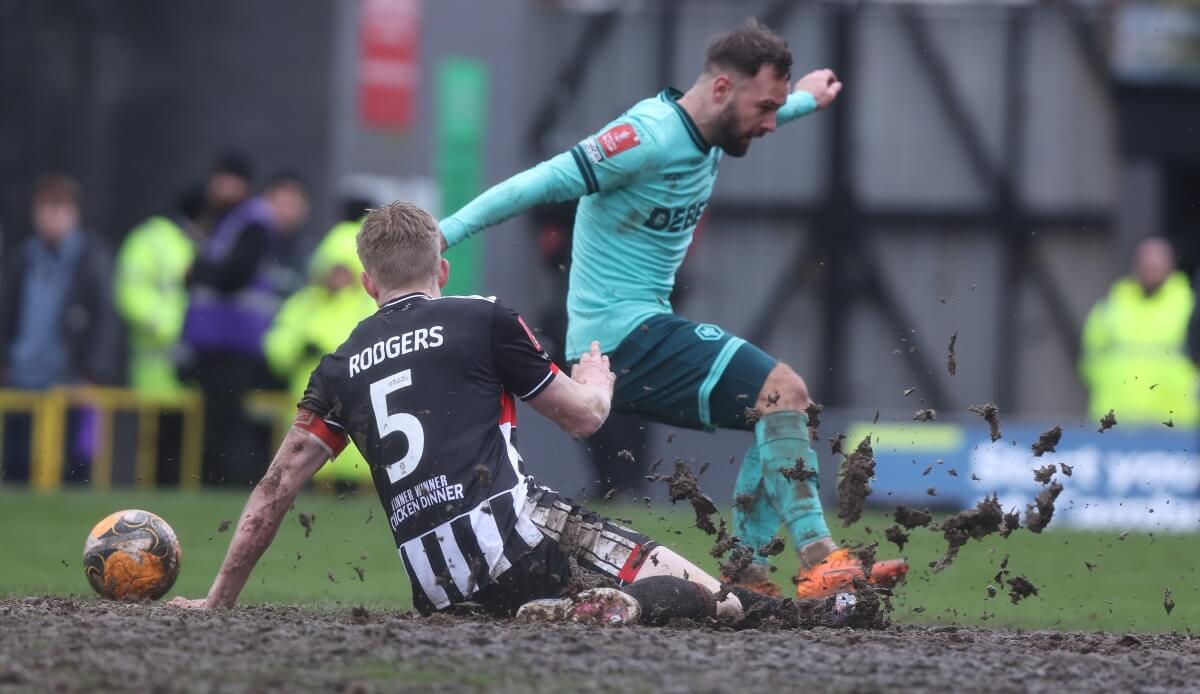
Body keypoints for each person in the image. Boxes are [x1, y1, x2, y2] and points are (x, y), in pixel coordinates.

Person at [436, 19, 906, 597]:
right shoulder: (647, 136)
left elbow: (756, 119)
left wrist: (803, 99)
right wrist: (445, 233)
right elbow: (536, 183)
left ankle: (749, 577)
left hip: (638, 330)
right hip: (620, 337)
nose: (767, 123)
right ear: (721, 90)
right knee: (784, 391)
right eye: (764, 106)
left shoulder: (711, 129)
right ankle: (821, 561)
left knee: (779, 412)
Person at [169, 202, 774, 625]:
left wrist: (217, 599)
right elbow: (583, 420)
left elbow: (275, 488)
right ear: (442, 270)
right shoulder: (481, 317)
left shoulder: (339, 366)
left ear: (366, 283)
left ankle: (589, 603)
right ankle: (639, 608)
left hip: (438, 592)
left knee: (544, 508)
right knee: (710, 601)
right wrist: (598, 383)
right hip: (515, 549)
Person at [181, 173, 309, 485]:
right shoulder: (255, 224)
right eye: (287, 202)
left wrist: (198, 271)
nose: (292, 212)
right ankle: (226, 482)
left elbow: (225, 274)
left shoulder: (243, 223)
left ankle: (223, 482)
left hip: (226, 339)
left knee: (225, 420)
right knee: (227, 422)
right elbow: (235, 276)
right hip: (231, 341)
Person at [263, 199, 377, 486]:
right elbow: (276, 345)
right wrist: (297, 349)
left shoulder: (368, 306)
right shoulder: (304, 303)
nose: (337, 275)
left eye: (344, 268)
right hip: (306, 410)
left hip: (356, 422)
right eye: (332, 267)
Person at [0, 174, 120, 389]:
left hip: (69, 381)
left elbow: (106, 317)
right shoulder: (22, 257)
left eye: (58, 207)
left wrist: (94, 372)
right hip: (22, 379)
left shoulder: (91, 258)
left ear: (74, 213)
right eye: (45, 207)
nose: (51, 216)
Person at [1080, 235, 1199, 426]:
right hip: (1116, 420)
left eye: (1158, 259)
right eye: (1145, 260)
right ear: (1135, 264)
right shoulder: (1112, 305)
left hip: (1177, 422)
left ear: (1172, 264)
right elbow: (1090, 359)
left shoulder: (1191, 307)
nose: (1151, 265)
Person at [114, 189, 203, 395]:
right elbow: (130, 293)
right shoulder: (152, 239)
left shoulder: (195, 244)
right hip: (156, 376)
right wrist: (175, 329)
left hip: (190, 377)